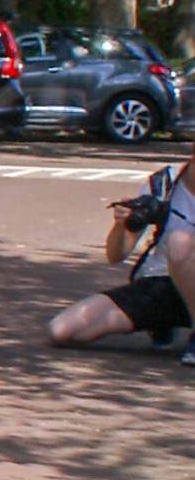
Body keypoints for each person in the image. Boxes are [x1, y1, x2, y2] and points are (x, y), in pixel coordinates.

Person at [47, 142, 195, 364]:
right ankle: (162, 321)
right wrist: (120, 225)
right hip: (163, 282)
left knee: (179, 243)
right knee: (61, 330)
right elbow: (116, 255)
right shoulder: (163, 184)